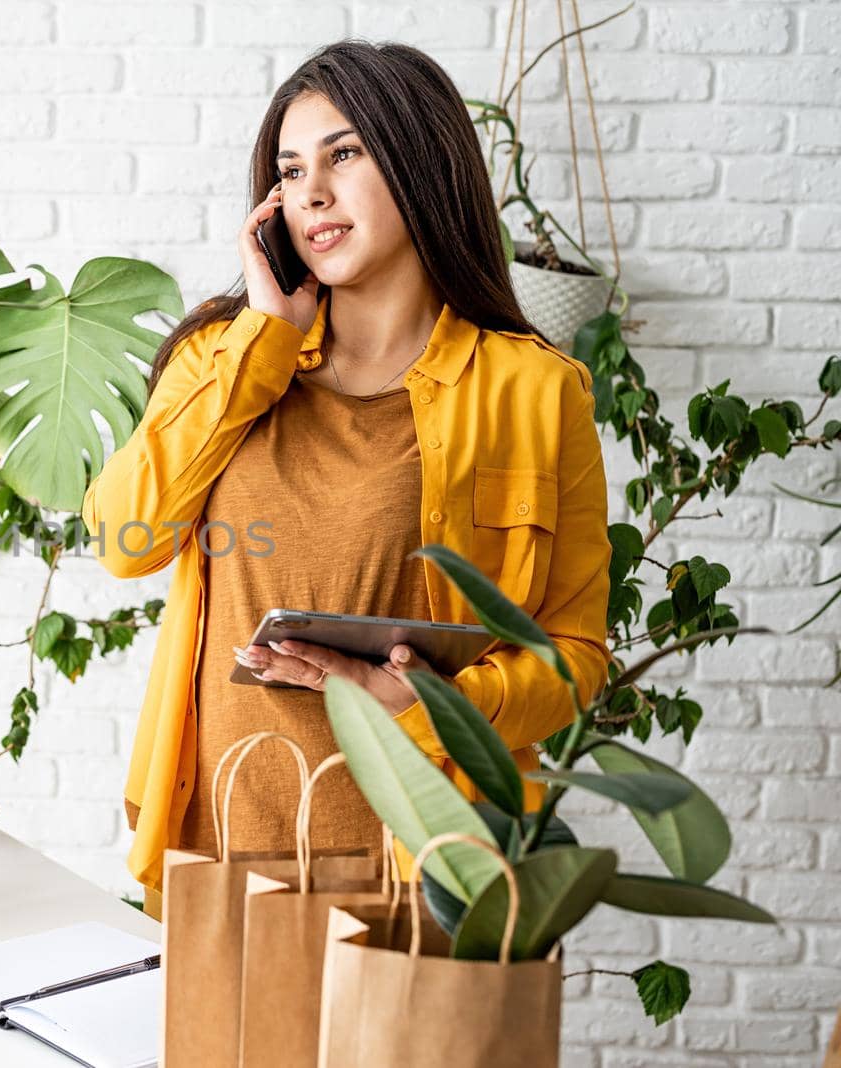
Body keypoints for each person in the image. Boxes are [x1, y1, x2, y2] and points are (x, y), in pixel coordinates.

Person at [80, 40, 613, 919]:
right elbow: (123, 539)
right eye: (290, 171)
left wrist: (431, 701)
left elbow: (576, 658)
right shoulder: (226, 357)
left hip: (425, 867)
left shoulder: (535, 392)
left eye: (345, 153)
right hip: (217, 849)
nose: (312, 192)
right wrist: (264, 341)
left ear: (422, 162)